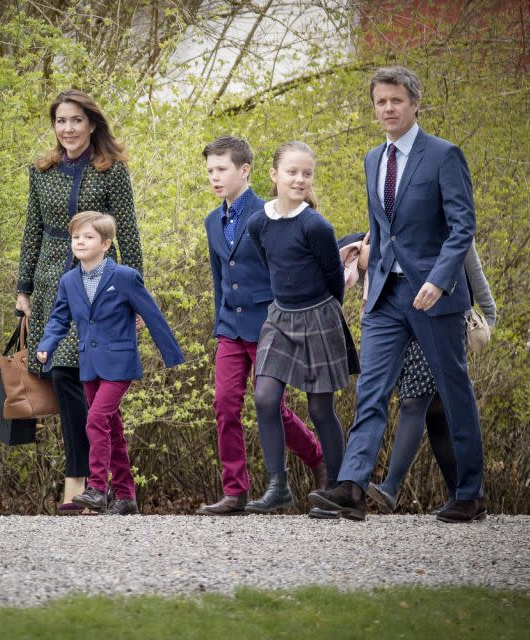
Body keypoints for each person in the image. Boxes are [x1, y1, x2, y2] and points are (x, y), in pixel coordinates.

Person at [310, 65, 486, 523]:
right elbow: (384, 227)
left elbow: (463, 227)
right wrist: (362, 251)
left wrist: (440, 278)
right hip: (385, 295)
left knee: (454, 390)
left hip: (435, 296)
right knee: (370, 390)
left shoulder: (445, 156)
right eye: (380, 102)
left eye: (396, 101)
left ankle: (469, 493)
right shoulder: (373, 159)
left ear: (414, 103)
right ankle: (351, 488)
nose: (388, 108)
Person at [16, 89, 143, 515]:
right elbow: (31, 231)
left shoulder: (111, 171)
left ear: (91, 124)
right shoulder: (42, 171)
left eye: (75, 120)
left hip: (98, 289)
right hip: (51, 281)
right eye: (60, 121)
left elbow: (128, 233)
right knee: (64, 377)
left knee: (75, 377)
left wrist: (134, 296)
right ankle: (106, 488)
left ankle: (86, 485)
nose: (67, 128)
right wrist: (23, 291)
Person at [197, 136, 327, 516]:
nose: (214, 178)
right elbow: (219, 275)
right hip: (230, 328)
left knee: (271, 407)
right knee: (224, 405)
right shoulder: (211, 220)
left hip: (270, 323)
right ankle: (235, 491)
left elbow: (285, 270)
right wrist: (219, 323)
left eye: (221, 169)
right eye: (210, 171)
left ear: (245, 170)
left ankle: (319, 461)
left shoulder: (269, 213)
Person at [35, 212, 184, 515]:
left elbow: (151, 314)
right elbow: (59, 318)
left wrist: (171, 355)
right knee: (112, 429)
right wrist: (46, 346)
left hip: (119, 363)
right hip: (89, 364)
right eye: (76, 237)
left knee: (95, 419)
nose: (80, 241)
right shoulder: (69, 281)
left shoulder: (124, 277)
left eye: (87, 237)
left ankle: (98, 489)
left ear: (105, 244)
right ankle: (127, 497)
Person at [244, 141, 359, 515]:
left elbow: (333, 279)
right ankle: (278, 486)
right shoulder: (258, 222)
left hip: (319, 316)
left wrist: (323, 317)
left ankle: (337, 490)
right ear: (274, 175)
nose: (299, 179)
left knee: (320, 409)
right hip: (280, 317)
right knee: (264, 397)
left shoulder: (316, 224)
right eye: (291, 172)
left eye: (306, 174)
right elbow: (269, 262)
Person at [366, 240, 497, 514]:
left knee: (415, 402)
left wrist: (490, 313)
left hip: (442, 317)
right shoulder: (396, 223)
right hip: (403, 320)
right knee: (435, 412)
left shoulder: (449, 223)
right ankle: (464, 496)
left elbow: (472, 266)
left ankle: (390, 488)